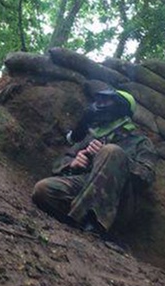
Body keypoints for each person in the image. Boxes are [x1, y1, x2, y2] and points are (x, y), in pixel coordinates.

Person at [32, 88, 157, 235]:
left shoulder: (140, 141)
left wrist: (112, 157)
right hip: (86, 185)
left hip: (119, 202)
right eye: (99, 100)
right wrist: (73, 162)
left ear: (121, 106)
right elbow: (61, 161)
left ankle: (96, 223)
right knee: (43, 189)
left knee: (111, 151)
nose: (100, 104)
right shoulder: (93, 136)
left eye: (106, 100)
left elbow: (147, 177)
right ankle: (81, 219)